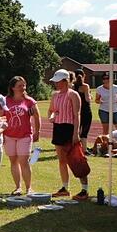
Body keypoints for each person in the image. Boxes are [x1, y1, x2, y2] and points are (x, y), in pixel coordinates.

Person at [47, 69, 90, 200]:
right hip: (58, 128)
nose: (55, 84)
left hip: (69, 128)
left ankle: (84, 190)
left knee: (76, 160)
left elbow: (77, 115)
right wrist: (51, 117)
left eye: (58, 81)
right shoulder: (55, 95)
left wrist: (76, 133)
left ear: (65, 81)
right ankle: (65, 188)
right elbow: (51, 110)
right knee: (61, 160)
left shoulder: (73, 94)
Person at [4, 76, 40, 195]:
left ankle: (29, 188)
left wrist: (37, 132)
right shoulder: (5, 100)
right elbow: (0, 115)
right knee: (13, 161)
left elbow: (37, 117)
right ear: (13, 88)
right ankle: (18, 187)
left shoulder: (29, 101)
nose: (23, 88)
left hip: (24, 135)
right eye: (19, 86)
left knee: (23, 161)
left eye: (24, 85)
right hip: (9, 135)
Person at [95, 73, 117, 140]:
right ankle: (106, 144)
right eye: (104, 78)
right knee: (106, 130)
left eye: (108, 78)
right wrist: (100, 101)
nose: (106, 80)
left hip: (115, 110)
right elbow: (96, 100)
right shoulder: (99, 89)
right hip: (104, 110)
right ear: (102, 80)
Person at [73, 69, 94, 152]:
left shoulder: (72, 86)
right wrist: (90, 96)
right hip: (86, 110)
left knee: (76, 130)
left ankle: (75, 149)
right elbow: (87, 99)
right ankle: (84, 150)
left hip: (76, 110)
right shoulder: (85, 86)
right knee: (84, 132)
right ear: (84, 76)